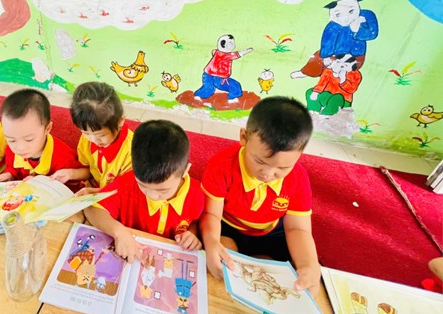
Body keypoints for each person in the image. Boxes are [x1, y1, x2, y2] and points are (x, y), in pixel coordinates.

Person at [200, 96, 321, 296]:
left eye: (283, 167)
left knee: (284, 275)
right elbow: (211, 214)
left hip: (270, 232)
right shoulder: (222, 165)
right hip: (228, 226)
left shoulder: (298, 179)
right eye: (259, 161)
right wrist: (211, 241)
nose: (268, 174)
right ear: (243, 137)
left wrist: (309, 264)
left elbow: (298, 228)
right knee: (223, 261)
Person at [85, 120, 204, 263]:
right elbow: (92, 208)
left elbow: (194, 221)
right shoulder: (127, 182)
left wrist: (191, 234)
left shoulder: (196, 194)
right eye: (142, 185)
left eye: (162, 190)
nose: (152, 195)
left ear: (185, 171)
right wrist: (119, 232)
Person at [53, 82, 133, 194]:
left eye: (101, 135)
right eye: (85, 133)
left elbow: (127, 192)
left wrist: (94, 193)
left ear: (120, 122)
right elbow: (89, 170)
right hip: (93, 190)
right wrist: (70, 174)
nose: (94, 140)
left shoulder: (131, 153)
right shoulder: (88, 139)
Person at [0, 89, 81, 188]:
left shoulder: (64, 157)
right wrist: (9, 174)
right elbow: (13, 168)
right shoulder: (11, 149)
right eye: (11, 140)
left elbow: (72, 188)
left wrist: (43, 183)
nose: (20, 148)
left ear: (47, 128)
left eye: (29, 139)